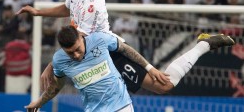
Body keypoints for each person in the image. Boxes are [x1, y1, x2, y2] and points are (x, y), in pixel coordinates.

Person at [16, 0, 231, 94]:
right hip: (93, 58)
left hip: (110, 56)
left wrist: (51, 66)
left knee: (164, 85)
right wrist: (38, 12)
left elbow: (76, 41)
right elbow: (67, 7)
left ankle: (204, 44)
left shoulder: (94, 4)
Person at [25, 25, 235, 111]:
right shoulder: (62, 58)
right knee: (166, 85)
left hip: (112, 63)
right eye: (71, 53)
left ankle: (204, 45)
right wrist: (40, 100)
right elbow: (57, 85)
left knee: (165, 84)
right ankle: (204, 45)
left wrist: (150, 67)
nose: (76, 55)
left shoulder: (97, 32)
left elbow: (124, 48)